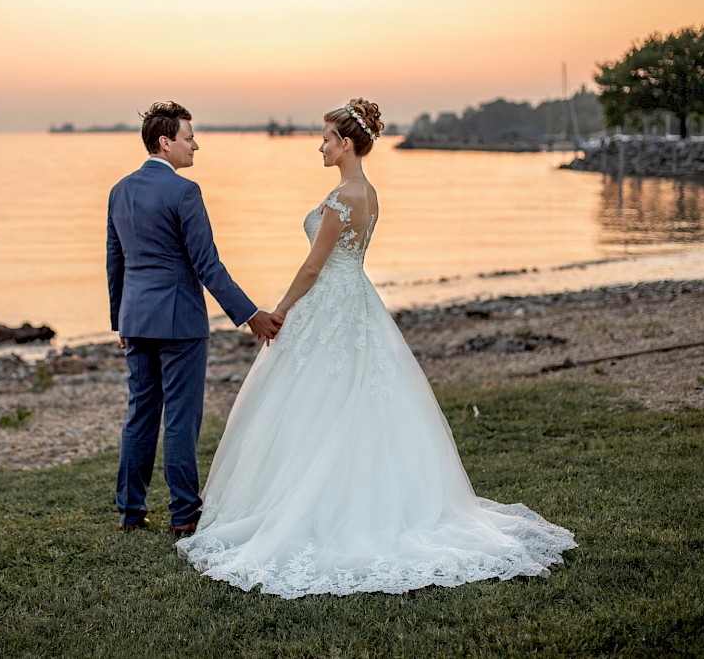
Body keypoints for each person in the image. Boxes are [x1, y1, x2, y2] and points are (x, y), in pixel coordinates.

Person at [175, 98, 577, 598]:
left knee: (318, 399)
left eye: (325, 138)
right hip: (358, 301)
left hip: (329, 302)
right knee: (356, 396)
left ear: (346, 143)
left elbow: (312, 268)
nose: (319, 147)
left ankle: (316, 504)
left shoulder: (343, 196)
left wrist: (276, 312)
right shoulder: (370, 193)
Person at [106, 101, 283, 536]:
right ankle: (184, 513)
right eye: (189, 138)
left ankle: (131, 512)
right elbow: (208, 265)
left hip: (136, 321)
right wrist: (251, 315)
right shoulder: (185, 192)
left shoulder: (119, 190)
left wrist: (120, 322)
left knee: (140, 414)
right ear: (165, 143)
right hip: (180, 323)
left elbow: (115, 262)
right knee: (181, 419)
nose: (195, 146)